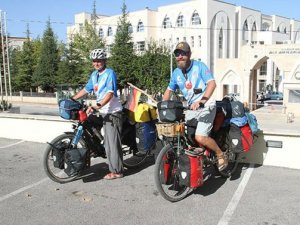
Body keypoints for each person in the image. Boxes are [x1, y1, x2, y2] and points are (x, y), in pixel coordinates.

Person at [162, 42, 228, 171]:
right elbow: (169, 90)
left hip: (206, 105)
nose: (180, 56)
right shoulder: (176, 73)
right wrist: (162, 105)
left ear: (189, 54)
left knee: (200, 136)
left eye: (183, 53)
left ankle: (221, 154)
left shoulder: (199, 67)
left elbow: (212, 84)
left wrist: (202, 101)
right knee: (186, 134)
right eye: (177, 54)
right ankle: (200, 155)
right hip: (192, 107)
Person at [72, 48, 124, 180]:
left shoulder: (109, 73)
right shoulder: (94, 75)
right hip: (102, 111)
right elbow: (86, 89)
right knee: (91, 126)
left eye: (99, 61)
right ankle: (97, 149)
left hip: (112, 112)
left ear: (104, 61)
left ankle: (117, 171)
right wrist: (72, 99)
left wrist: (97, 105)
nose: (96, 63)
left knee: (112, 143)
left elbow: (110, 93)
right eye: (94, 61)